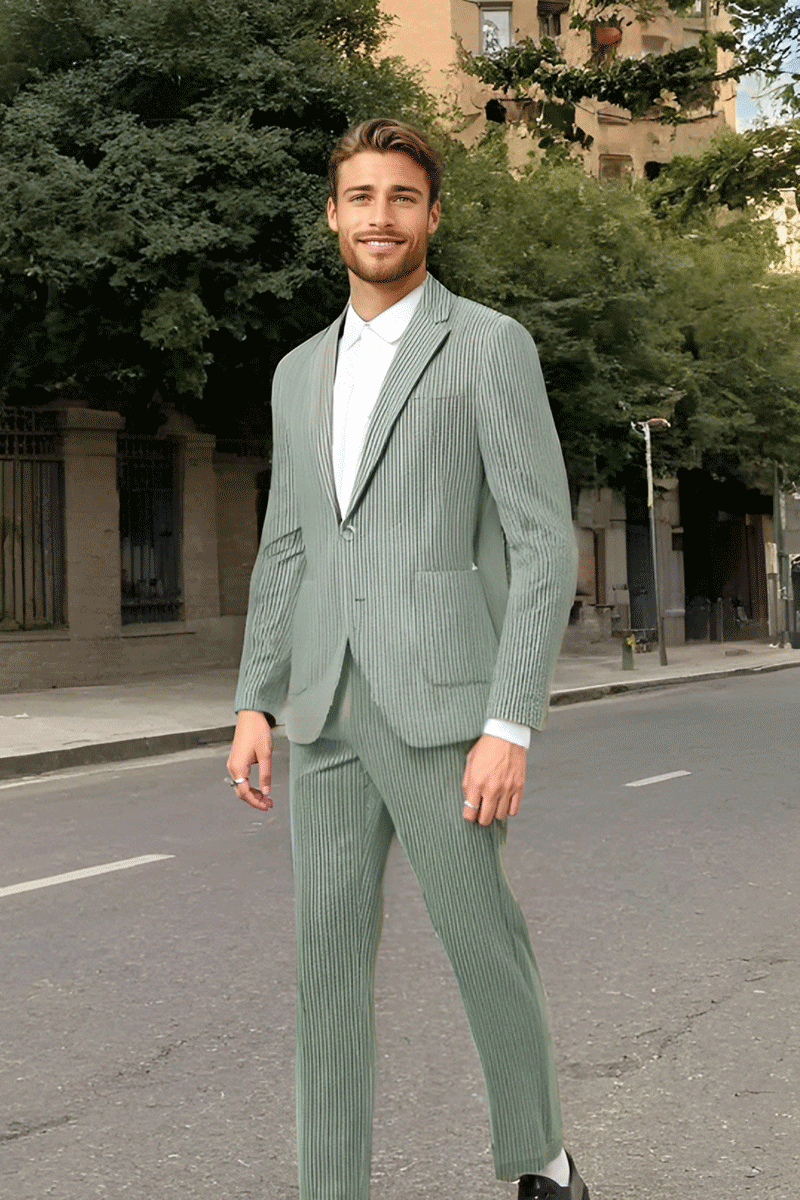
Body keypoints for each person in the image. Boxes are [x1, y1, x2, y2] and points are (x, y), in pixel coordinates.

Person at [227, 117, 588, 1200]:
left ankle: (543, 1161)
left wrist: (508, 720)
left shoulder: (486, 344)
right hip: (325, 709)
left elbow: (539, 542)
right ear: (329, 216)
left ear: (431, 214)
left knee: (482, 942)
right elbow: (287, 540)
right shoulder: (297, 373)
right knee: (323, 976)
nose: (378, 216)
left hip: (445, 707)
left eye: (400, 197)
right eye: (359, 197)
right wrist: (255, 697)